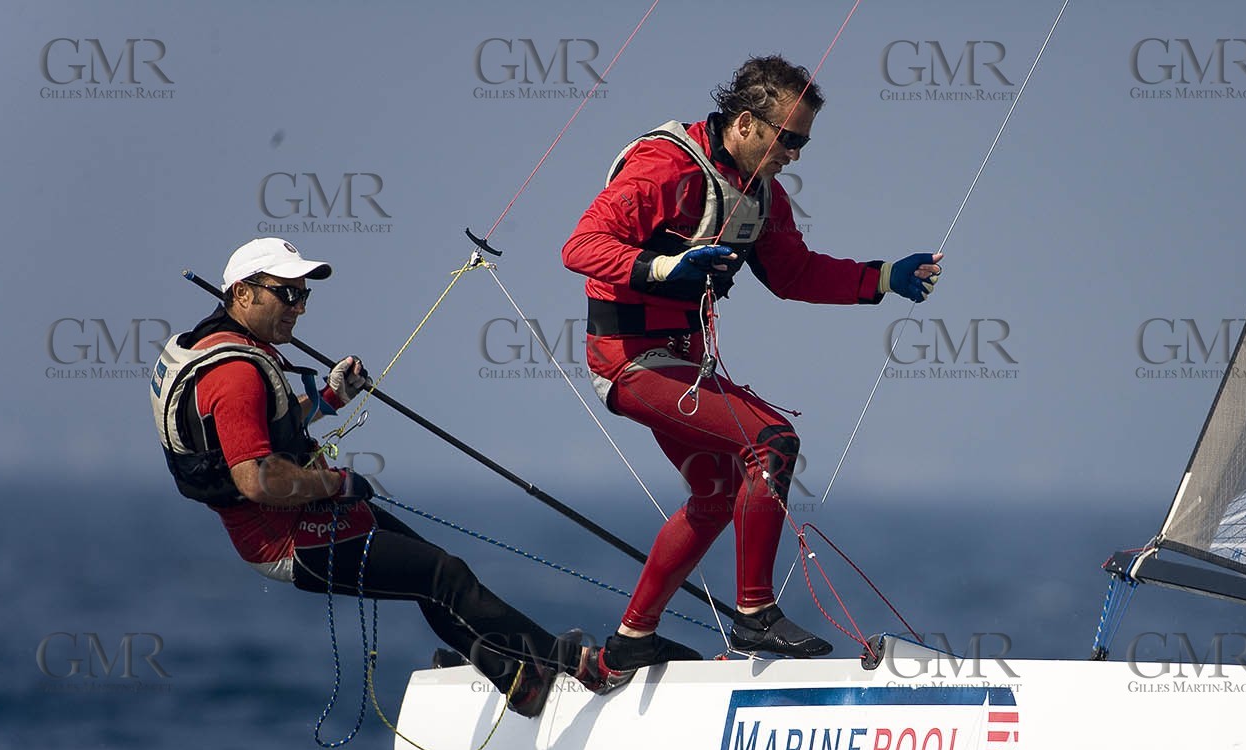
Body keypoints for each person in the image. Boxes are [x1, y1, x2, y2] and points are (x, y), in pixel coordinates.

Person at [562, 54, 942, 684]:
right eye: (788, 139)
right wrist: (665, 269)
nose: (796, 154)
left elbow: (793, 274)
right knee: (772, 441)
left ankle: (625, 647)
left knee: (713, 498)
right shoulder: (665, 169)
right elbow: (579, 246)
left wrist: (882, 278)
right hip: (629, 361)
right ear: (745, 124)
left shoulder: (761, 196)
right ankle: (755, 612)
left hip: (681, 363)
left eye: (802, 142)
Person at [151, 237, 614, 715]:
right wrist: (335, 484)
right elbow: (255, 477)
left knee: (434, 573)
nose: (299, 308)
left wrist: (330, 398)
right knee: (442, 575)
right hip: (288, 539)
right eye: (286, 294)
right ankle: (576, 664)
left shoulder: (221, 347)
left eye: (304, 294)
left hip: (305, 519)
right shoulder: (235, 374)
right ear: (242, 294)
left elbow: (268, 431)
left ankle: (519, 682)